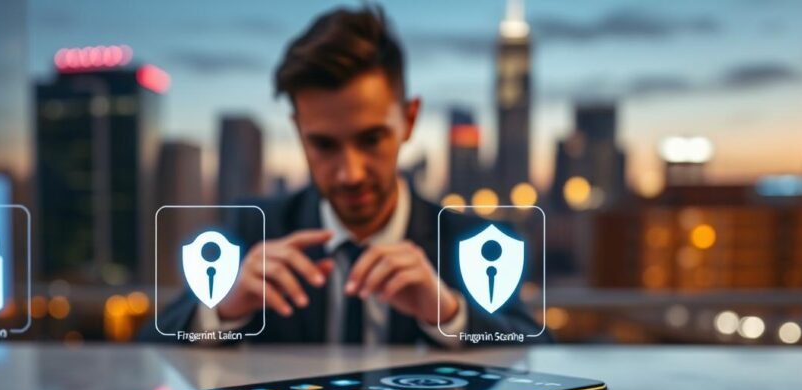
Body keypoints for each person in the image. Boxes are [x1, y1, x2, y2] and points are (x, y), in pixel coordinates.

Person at [146, 6, 541, 345]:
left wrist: (449, 313)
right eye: (324, 145)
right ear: (299, 132)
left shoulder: (467, 240)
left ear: (409, 120)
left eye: (371, 139)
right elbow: (150, 343)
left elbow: (538, 352)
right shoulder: (255, 229)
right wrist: (224, 309)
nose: (350, 174)